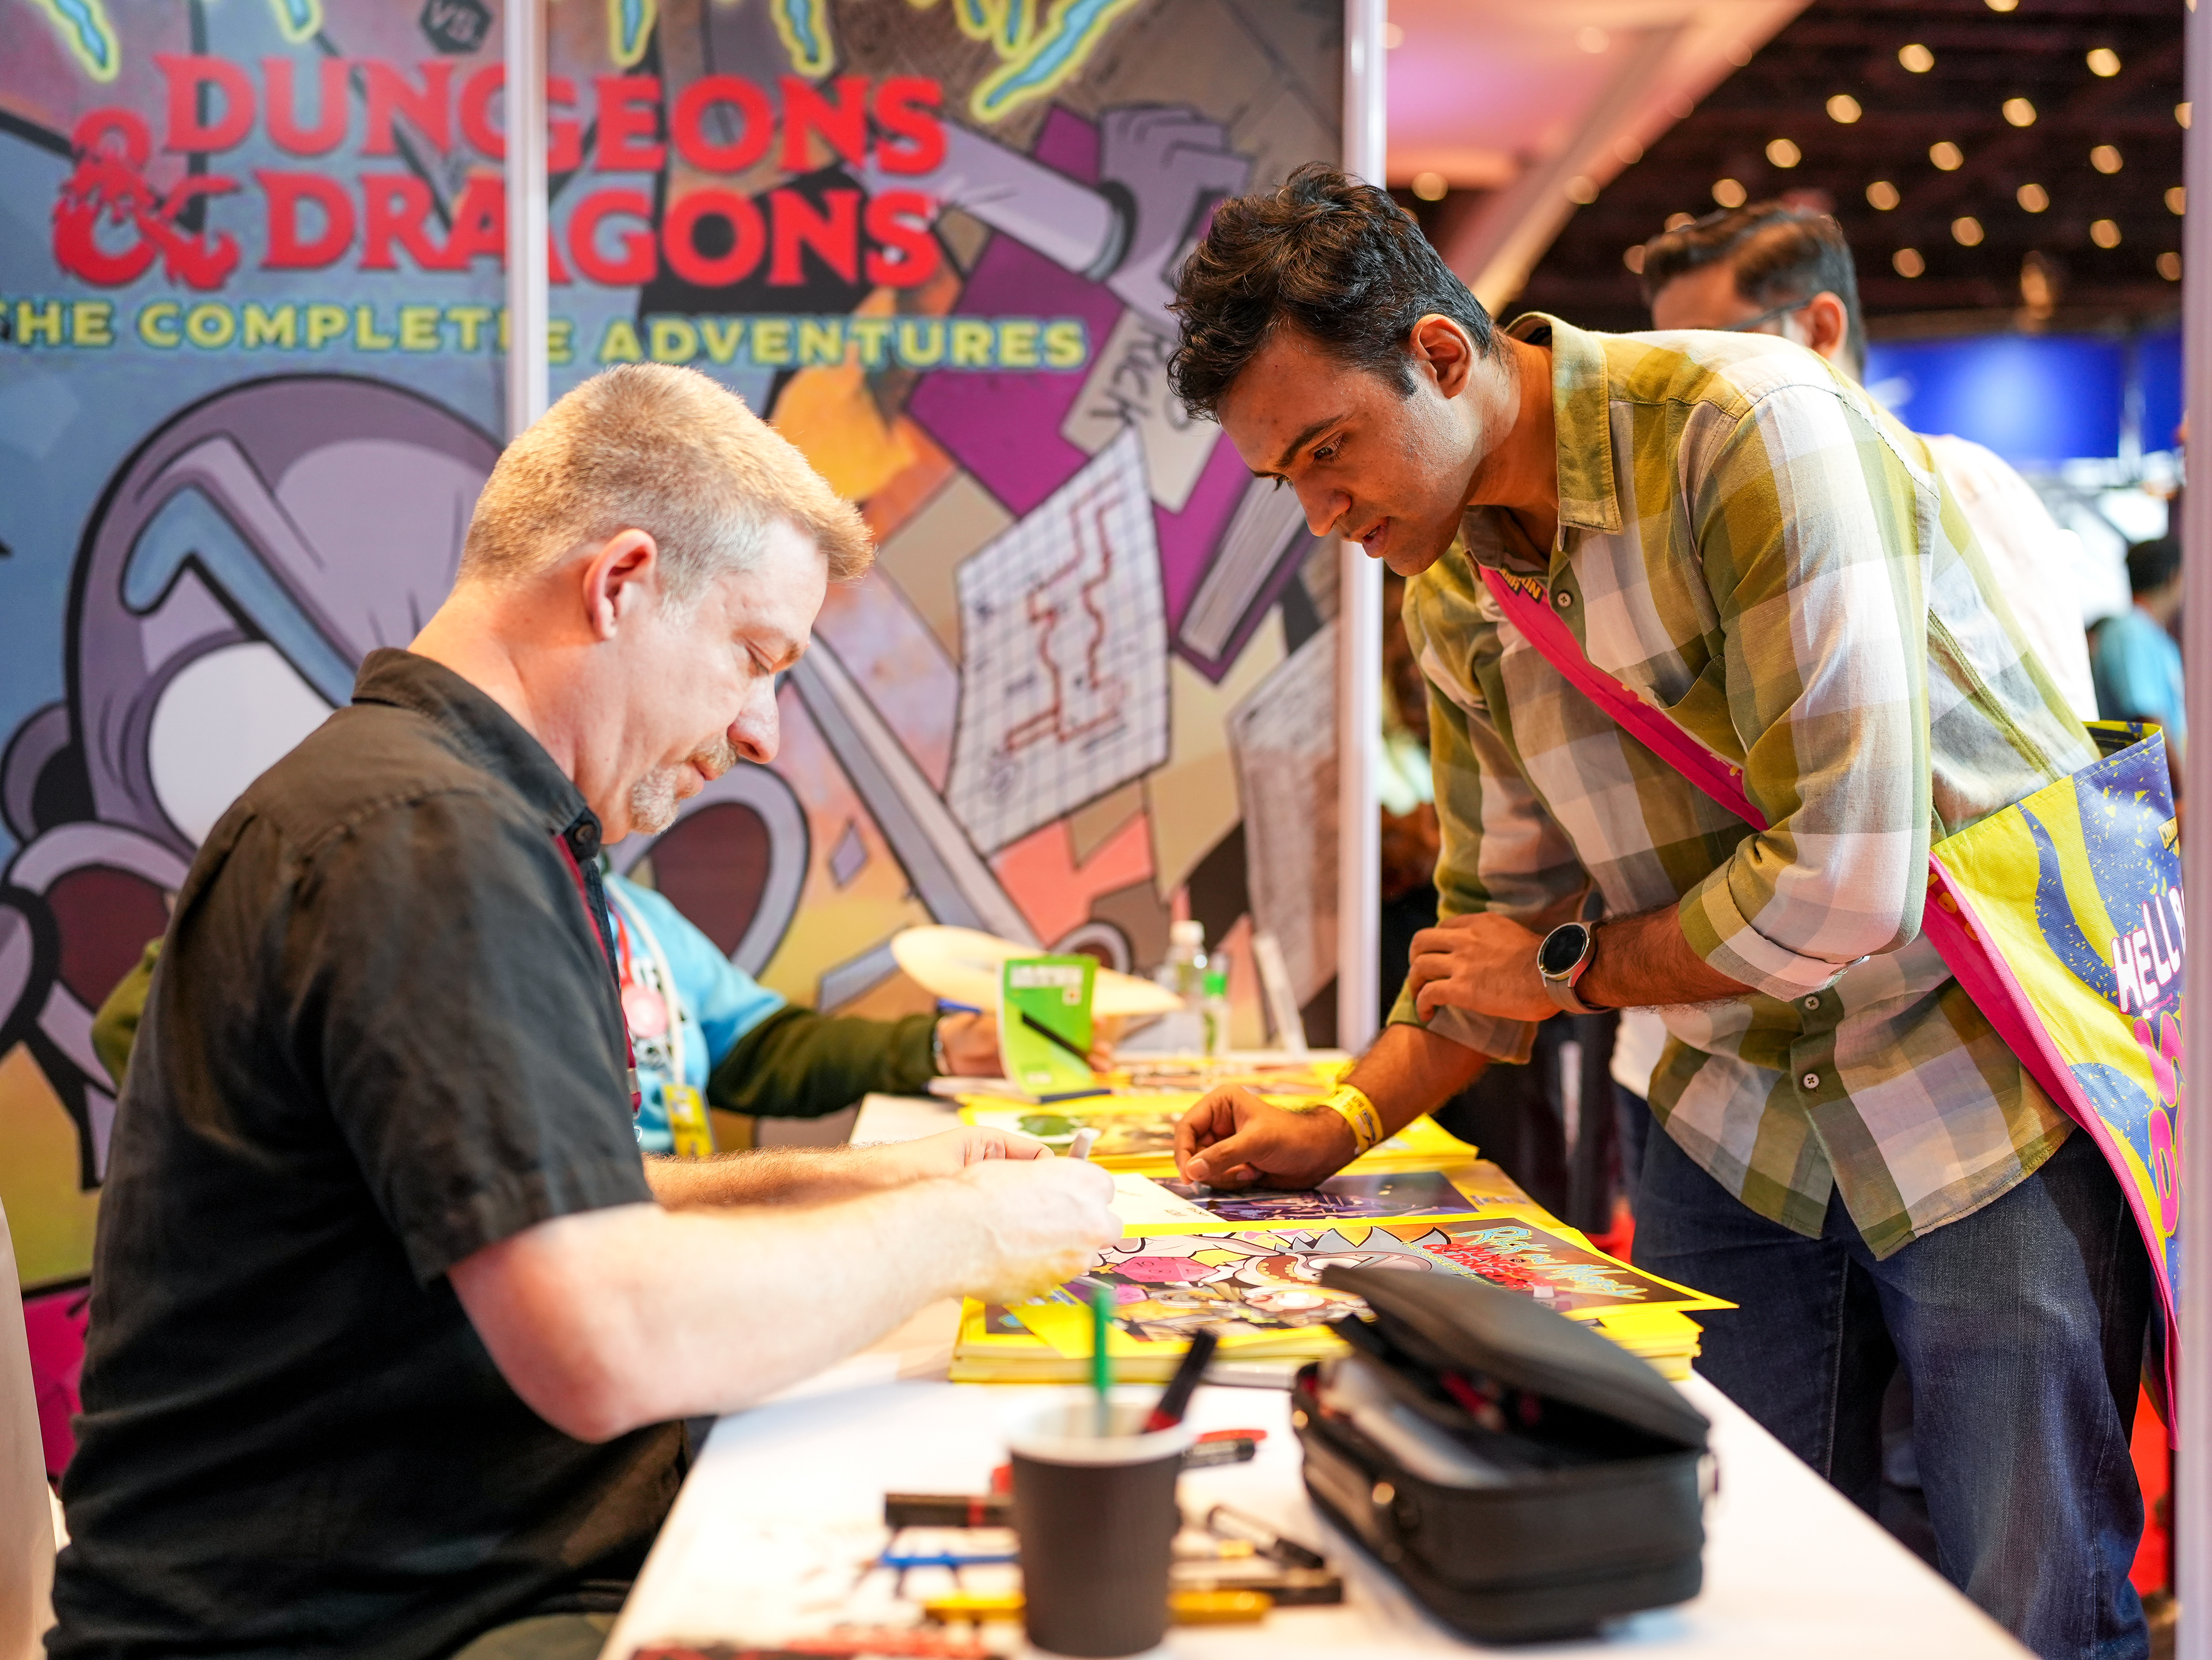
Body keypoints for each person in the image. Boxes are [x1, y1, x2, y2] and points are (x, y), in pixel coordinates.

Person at [1164, 165, 2147, 1660]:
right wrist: (1343, 1118)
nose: (1321, 510)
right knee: (1718, 1590)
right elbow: (1487, 928)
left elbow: (1848, 875)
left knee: (2030, 1607)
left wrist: (1565, 968)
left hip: (1974, 1094)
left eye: (1328, 450)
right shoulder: (1452, 592)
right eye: (1283, 479)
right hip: (1733, 1130)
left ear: (1441, 355)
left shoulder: (1747, 430)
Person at [48, 363, 1119, 1660]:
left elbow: (548, 1198)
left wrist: (883, 1178)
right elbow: (606, 1338)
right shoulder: (426, 835)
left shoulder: (456, 810)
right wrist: (971, 1230)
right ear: (619, 584)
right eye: (756, 658)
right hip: (393, 1627)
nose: (765, 733)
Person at [89, 869, 1021, 1158]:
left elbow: (757, 1046)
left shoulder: (634, 912)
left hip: (680, 1245)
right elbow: (133, 1023)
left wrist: (941, 1044)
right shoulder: (401, 889)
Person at [1641, 203, 2101, 726]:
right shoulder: (1720, 526)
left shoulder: (1962, 485)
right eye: (1665, 365)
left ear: (1819, 329)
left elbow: (2058, 734)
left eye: (1707, 353)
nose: (1682, 393)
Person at [2092, 536, 2186, 762]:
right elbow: (2148, 720)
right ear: (2173, 578)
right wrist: (2182, 781)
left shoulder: (2157, 639)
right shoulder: (2130, 631)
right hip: (2143, 777)